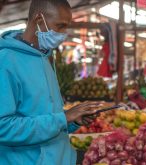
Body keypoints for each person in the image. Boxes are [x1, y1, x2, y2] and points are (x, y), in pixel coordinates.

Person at [0, 0, 102, 164]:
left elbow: (45, 117)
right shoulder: (6, 62)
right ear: (39, 20)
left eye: (66, 26)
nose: (64, 33)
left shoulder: (45, 57)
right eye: (60, 25)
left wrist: (72, 122)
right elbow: (3, 128)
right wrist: (64, 118)